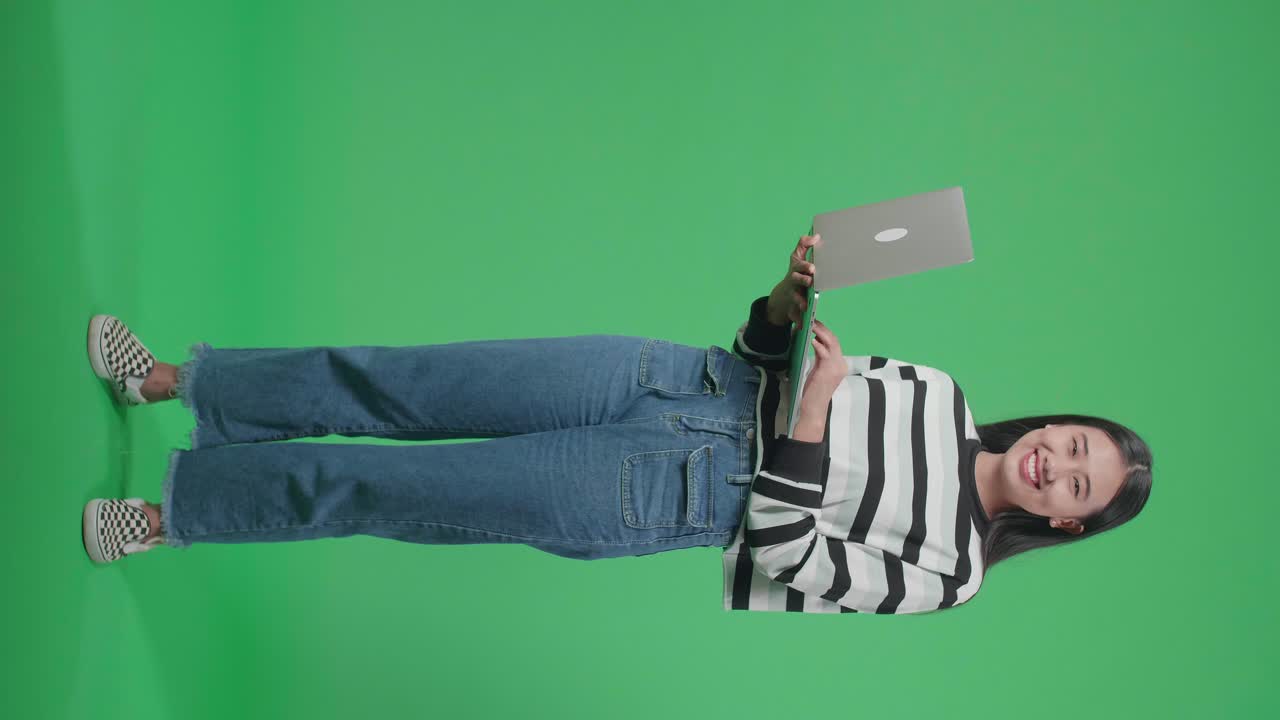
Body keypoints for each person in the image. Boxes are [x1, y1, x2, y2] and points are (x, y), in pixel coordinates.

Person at [82, 235, 1153, 614]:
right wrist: (784, 308)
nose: (1054, 461)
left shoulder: (952, 570)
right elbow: (764, 365)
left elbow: (786, 556)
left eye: (1074, 483)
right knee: (402, 380)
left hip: (660, 496)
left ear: (1063, 523)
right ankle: (180, 382)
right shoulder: (938, 390)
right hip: (662, 380)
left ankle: (169, 513)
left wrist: (814, 419)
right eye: (1071, 441)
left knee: (393, 489)